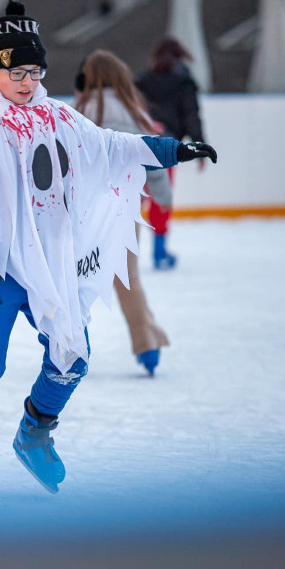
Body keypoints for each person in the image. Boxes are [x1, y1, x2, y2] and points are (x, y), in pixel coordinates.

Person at [0, 0, 216, 501]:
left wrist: (172, 149)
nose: (28, 81)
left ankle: (35, 431)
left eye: (35, 71)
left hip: (47, 264)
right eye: (17, 71)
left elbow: (109, 147)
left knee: (72, 357)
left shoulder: (55, 116)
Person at [74, 49, 170, 376]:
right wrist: (162, 195)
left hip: (87, 215)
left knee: (73, 279)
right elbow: (152, 156)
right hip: (125, 212)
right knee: (127, 279)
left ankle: (67, 346)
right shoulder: (135, 112)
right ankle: (147, 345)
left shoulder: (81, 112)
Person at [135, 36, 207, 269]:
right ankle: (159, 252)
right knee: (160, 197)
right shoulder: (184, 82)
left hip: (139, 143)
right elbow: (191, 115)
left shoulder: (142, 81)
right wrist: (199, 147)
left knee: (134, 196)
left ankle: (126, 252)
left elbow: (131, 109)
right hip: (166, 147)